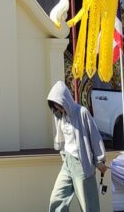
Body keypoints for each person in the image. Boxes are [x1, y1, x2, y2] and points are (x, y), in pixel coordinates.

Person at [47, 81, 106, 212]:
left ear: (64, 99)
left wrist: (100, 160)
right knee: (57, 198)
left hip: (82, 164)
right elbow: (61, 139)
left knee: (88, 206)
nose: (57, 107)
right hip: (67, 163)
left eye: (58, 103)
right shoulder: (59, 116)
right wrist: (63, 155)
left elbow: (95, 137)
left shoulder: (82, 112)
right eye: (54, 104)